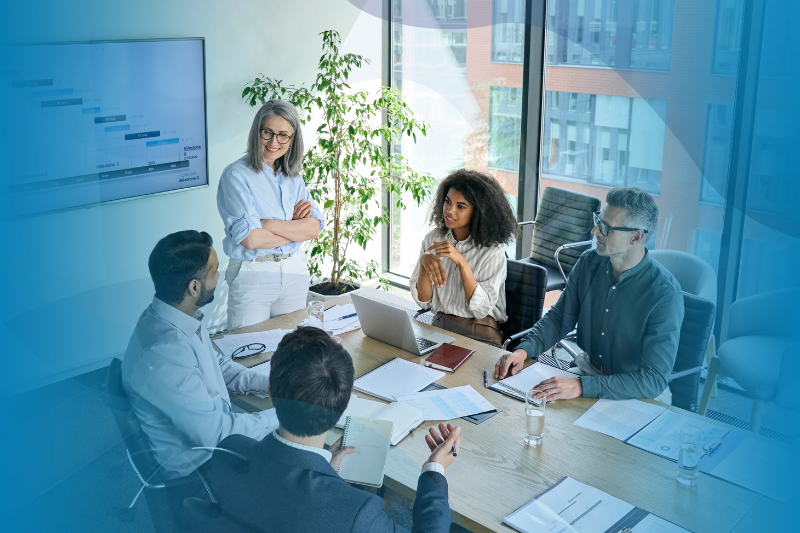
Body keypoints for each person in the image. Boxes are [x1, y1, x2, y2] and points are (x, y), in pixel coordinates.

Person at [207, 326, 460, 533]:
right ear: (343, 405)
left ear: (271, 395)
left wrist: (325, 468)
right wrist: (435, 470)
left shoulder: (227, 452)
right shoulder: (356, 513)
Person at [121, 231, 279, 517]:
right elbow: (217, 435)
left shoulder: (177, 316)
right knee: (303, 478)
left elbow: (216, 365)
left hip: (210, 450)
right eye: (214, 272)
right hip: (199, 478)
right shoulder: (164, 353)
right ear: (194, 287)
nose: (219, 277)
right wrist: (284, 412)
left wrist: (270, 383)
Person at [494, 187, 684, 404]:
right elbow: (558, 319)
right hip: (587, 373)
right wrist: (522, 352)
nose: (595, 232)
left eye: (606, 228)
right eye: (598, 221)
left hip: (637, 393)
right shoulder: (588, 262)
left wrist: (582, 386)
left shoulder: (665, 294)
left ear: (636, 237)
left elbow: (652, 380)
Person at [217, 99, 324, 329]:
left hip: (294, 270)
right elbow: (251, 239)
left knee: (293, 353)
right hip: (254, 272)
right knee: (249, 352)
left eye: (283, 135)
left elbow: (313, 228)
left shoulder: (294, 176)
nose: (274, 141)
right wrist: (295, 228)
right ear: (257, 132)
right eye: (268, 132)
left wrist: (267, 224)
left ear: (292, 139)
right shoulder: (236, 175)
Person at [409, 169, 517, 348]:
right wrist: (423, 264)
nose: (450, 211)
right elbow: (423, 301)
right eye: (447, 202)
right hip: (441, 324)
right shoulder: (432, 239)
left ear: (478, 212)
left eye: (461, 206)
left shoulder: (492, 251)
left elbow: (481, 310)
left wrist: (462, 262)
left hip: (479, 331)